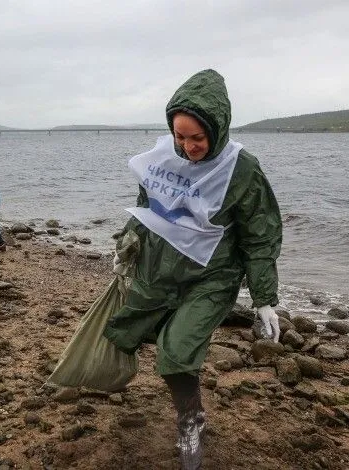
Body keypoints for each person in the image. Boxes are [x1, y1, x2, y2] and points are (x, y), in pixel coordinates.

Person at [103, 69, 282, 469]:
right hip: (160, 267)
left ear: (217, 129)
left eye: (198, 138)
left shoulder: (242, 169)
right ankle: (184, 401)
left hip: (211, 275)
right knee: (131, 329)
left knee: (177, 351)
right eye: (180, 136)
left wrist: (264, 299)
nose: (188, 146)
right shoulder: (164, 157)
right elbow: (146, 206)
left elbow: (260, 234)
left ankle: (190, 421)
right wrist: (127, 243)